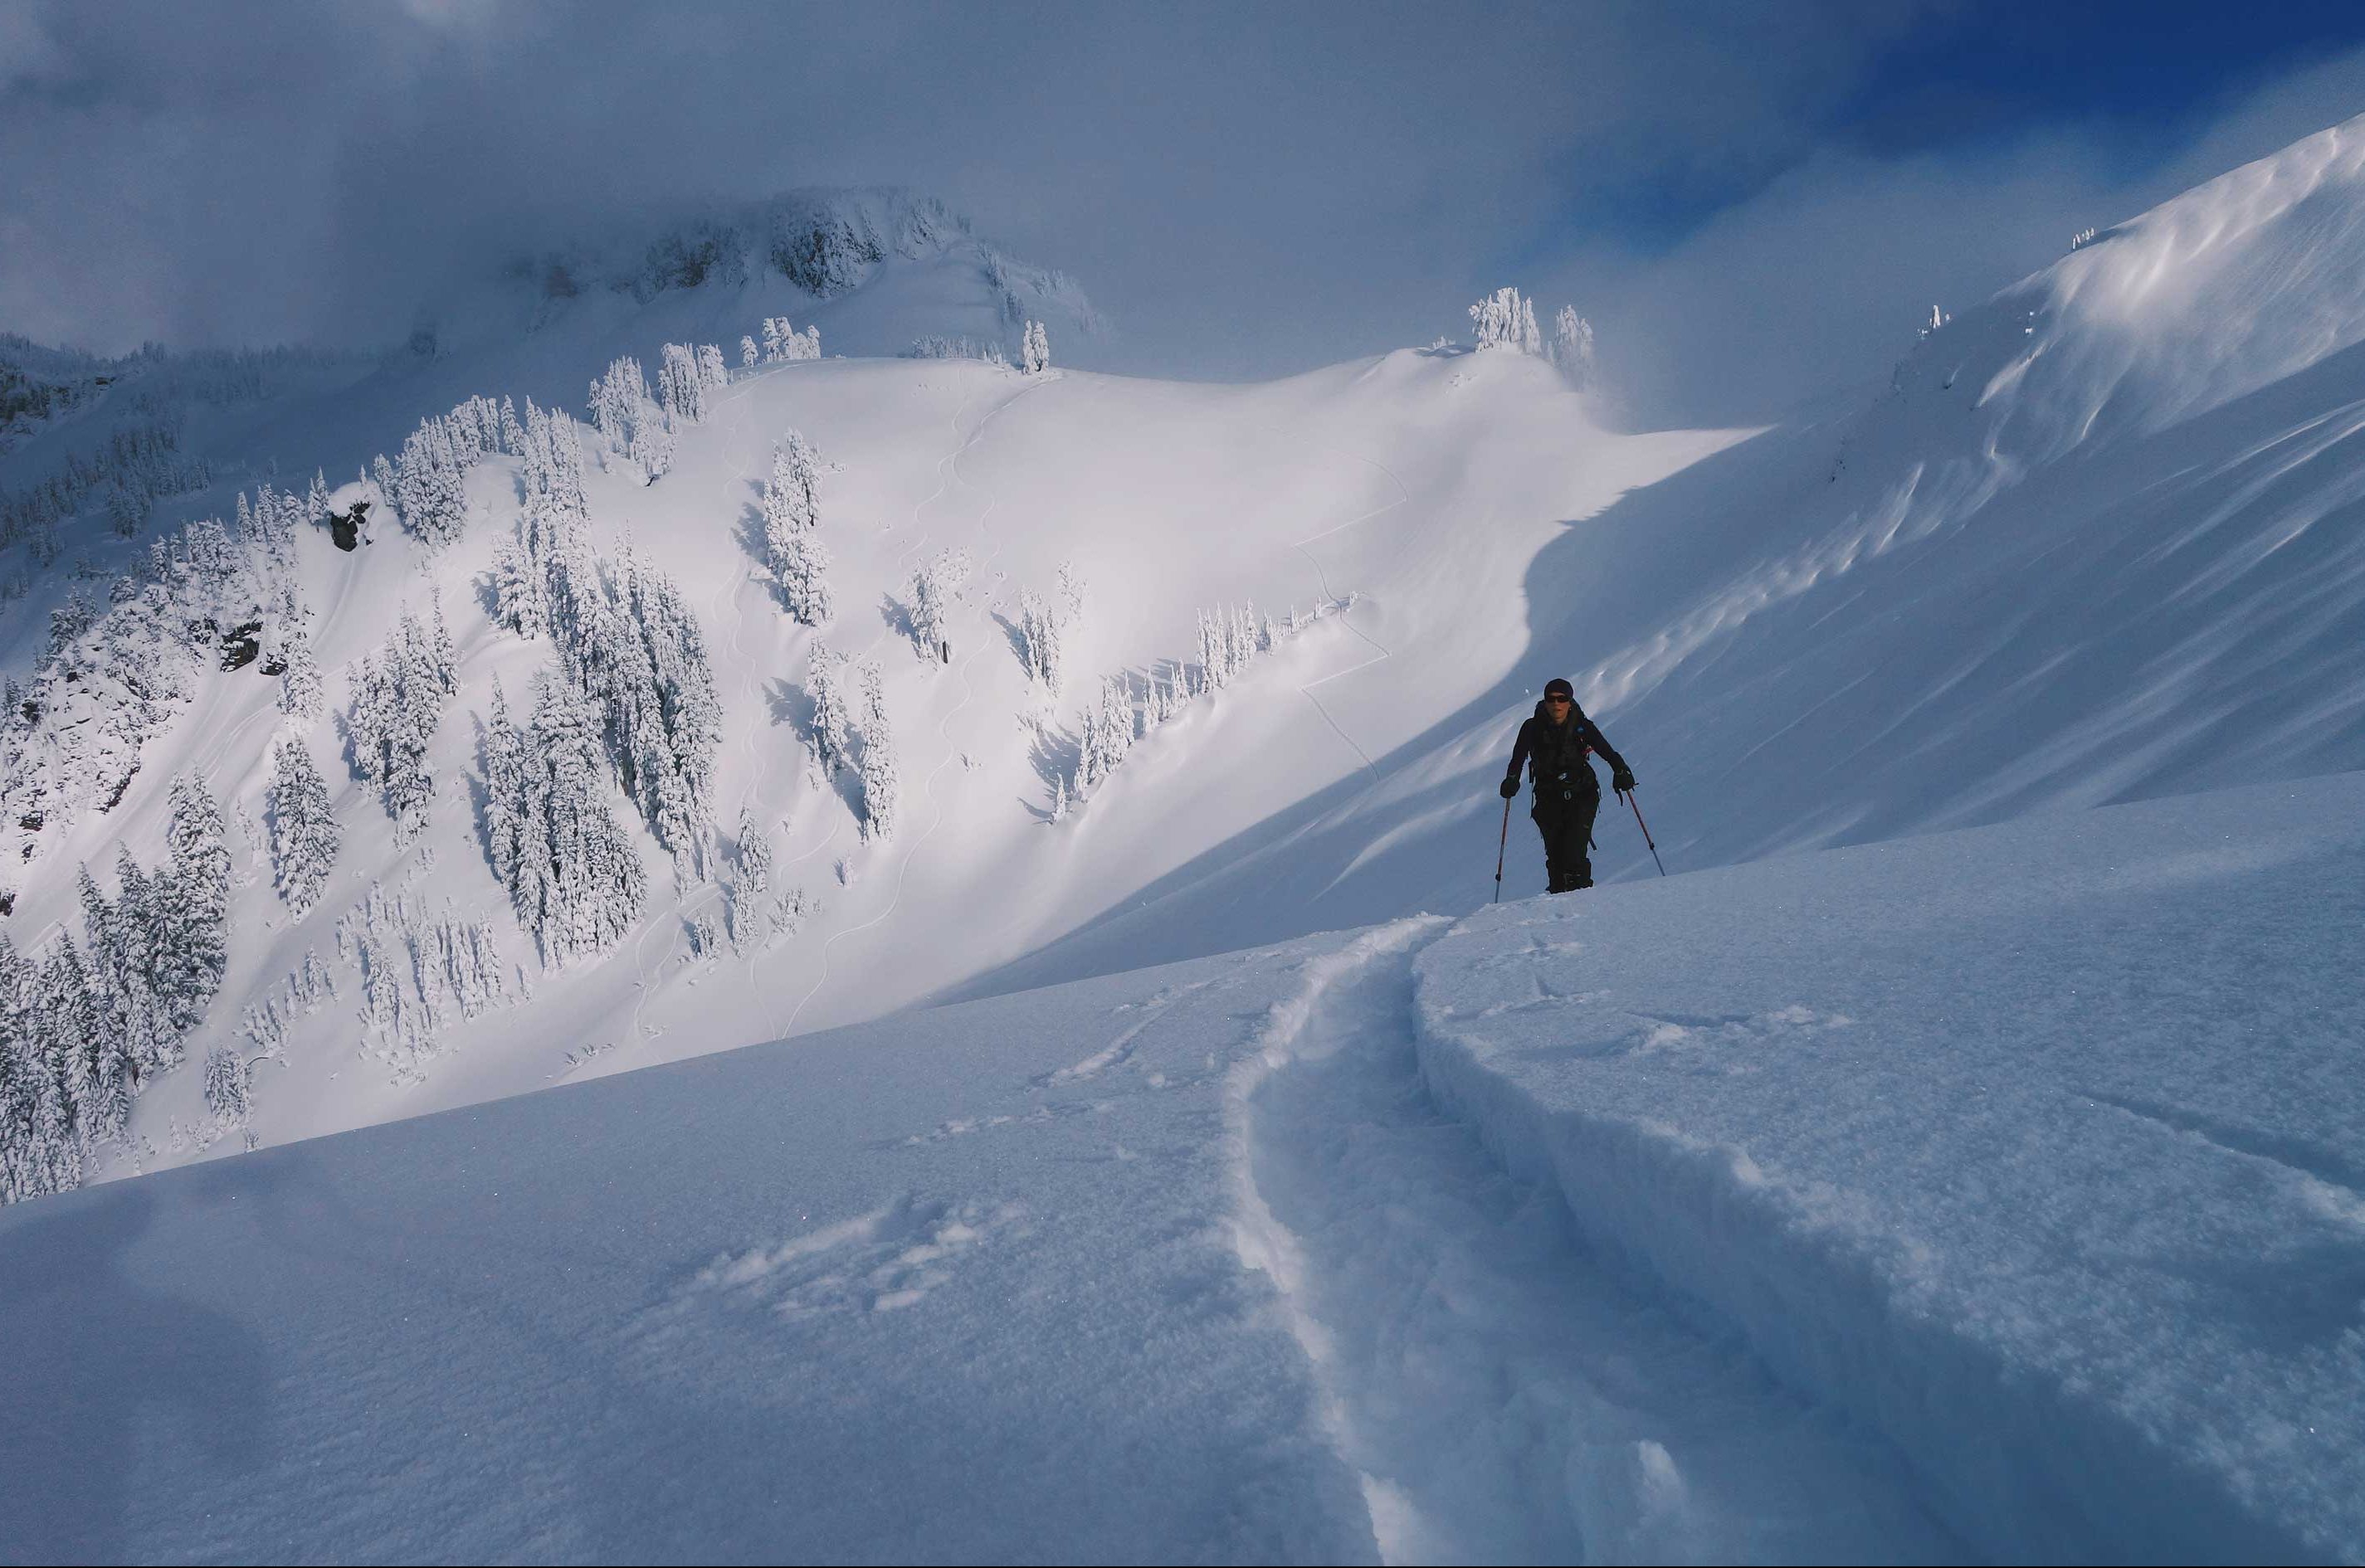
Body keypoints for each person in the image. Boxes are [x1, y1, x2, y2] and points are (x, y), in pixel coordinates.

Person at [1498, 677, 1636, 894]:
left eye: (1562, 699)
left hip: (1583, 793)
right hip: (1548, 798)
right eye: (1551, 699)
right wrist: (1512, 779)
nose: (1556, 704)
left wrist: (1620, 769)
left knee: (1574, 852)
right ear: (1544, 701)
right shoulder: (1532, 728)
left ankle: (1580, 902)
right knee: (1555, 856)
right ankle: (1560, 905)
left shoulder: (1581, 724)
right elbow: (1518, 758)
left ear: (1570, 701)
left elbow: (1605, 749)